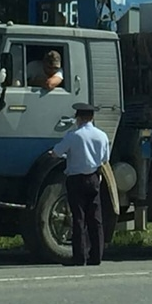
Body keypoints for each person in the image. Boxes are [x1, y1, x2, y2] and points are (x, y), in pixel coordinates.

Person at [51, 101, 111, 266]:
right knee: (95, 218)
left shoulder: (73, 136)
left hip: (76, 179)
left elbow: (56, 153)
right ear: (92, 117)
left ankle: (79, 257)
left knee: (78, 218)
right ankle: (96, 256)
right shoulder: (102, 136)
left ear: (79, 117)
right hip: (93, 178)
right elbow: (105, 159)